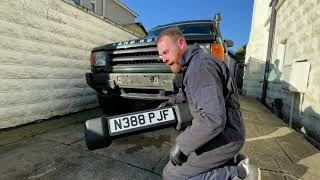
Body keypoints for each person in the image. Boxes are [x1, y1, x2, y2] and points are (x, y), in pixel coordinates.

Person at [156, 27, 246, 180]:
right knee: (179, 164)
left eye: (165, 52)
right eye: (160, 55)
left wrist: (182, 145)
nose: (163, 59)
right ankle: (231, 163)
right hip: (220, 134)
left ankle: (238, 174)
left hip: (225, 136)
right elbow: (186, 94)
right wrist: (170, 103)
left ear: (181, 43)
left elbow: (212, 118)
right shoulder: (193, 66)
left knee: (172, 175)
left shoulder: (200, 68)